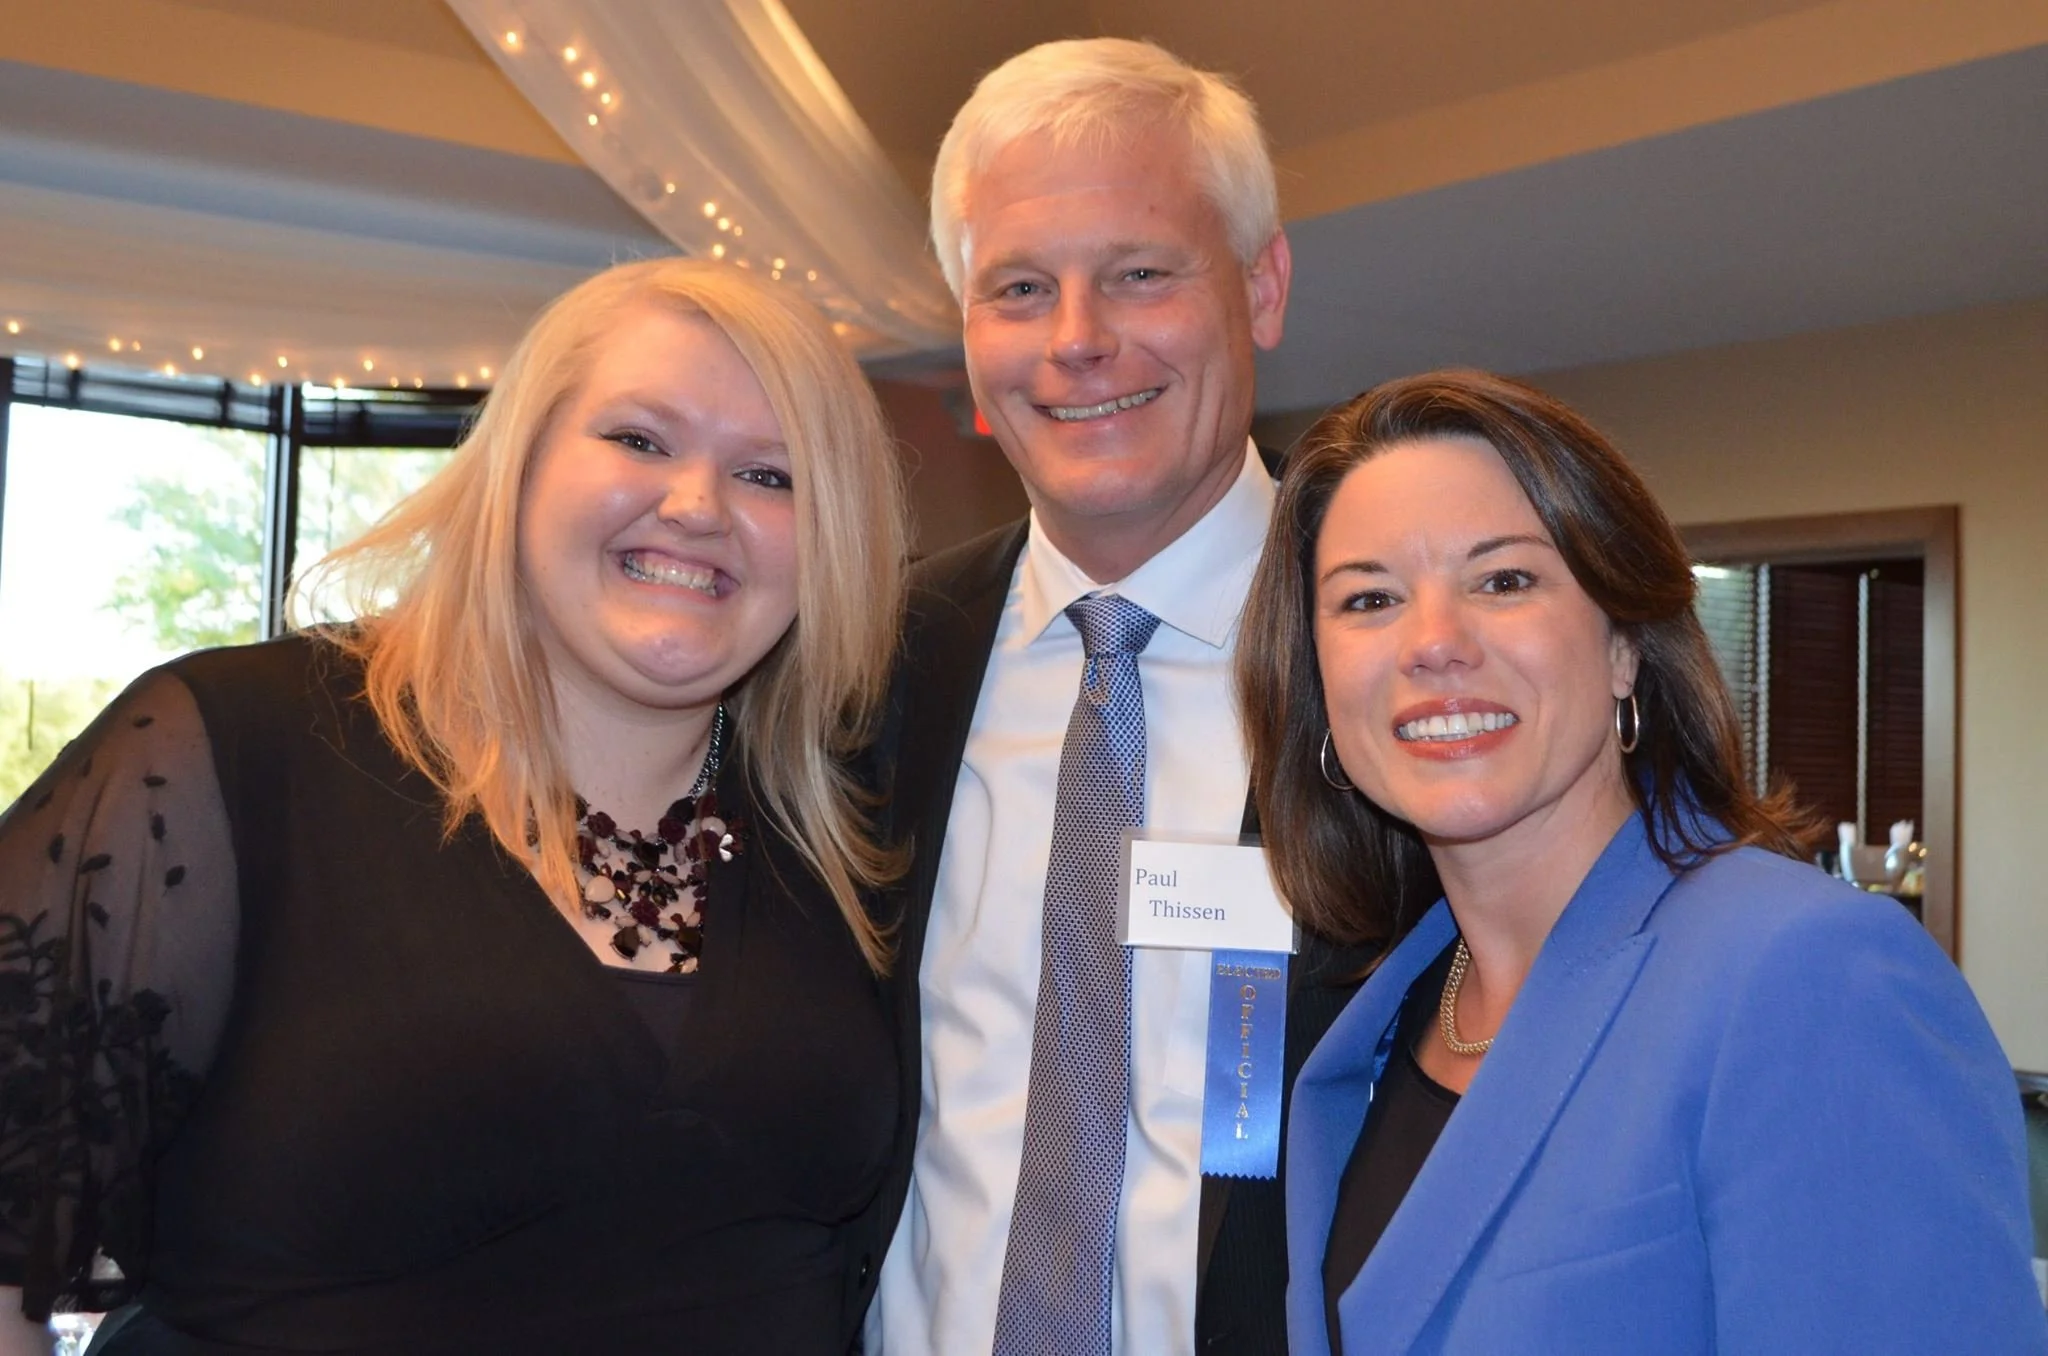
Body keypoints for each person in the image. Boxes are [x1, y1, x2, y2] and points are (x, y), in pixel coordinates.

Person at [0, 256, 910, 1354]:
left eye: (771, 475)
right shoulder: (232, 751)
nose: (697, 506)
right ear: (517, 467)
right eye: (638, 440)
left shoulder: (846, 837)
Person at [1234, 368, 2048, 1355]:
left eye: (1503, 581)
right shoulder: (1379, 1013)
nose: (1433, 644)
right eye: (1369, 599)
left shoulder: (1807, 976)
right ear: (1318, 679)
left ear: (1623, 646)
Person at [866, 37, 1374, 1356]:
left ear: (1261, 287)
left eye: (1141, 273)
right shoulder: (870, 671)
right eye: (1019, 288)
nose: (1078, 341)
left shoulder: (1397, 652)